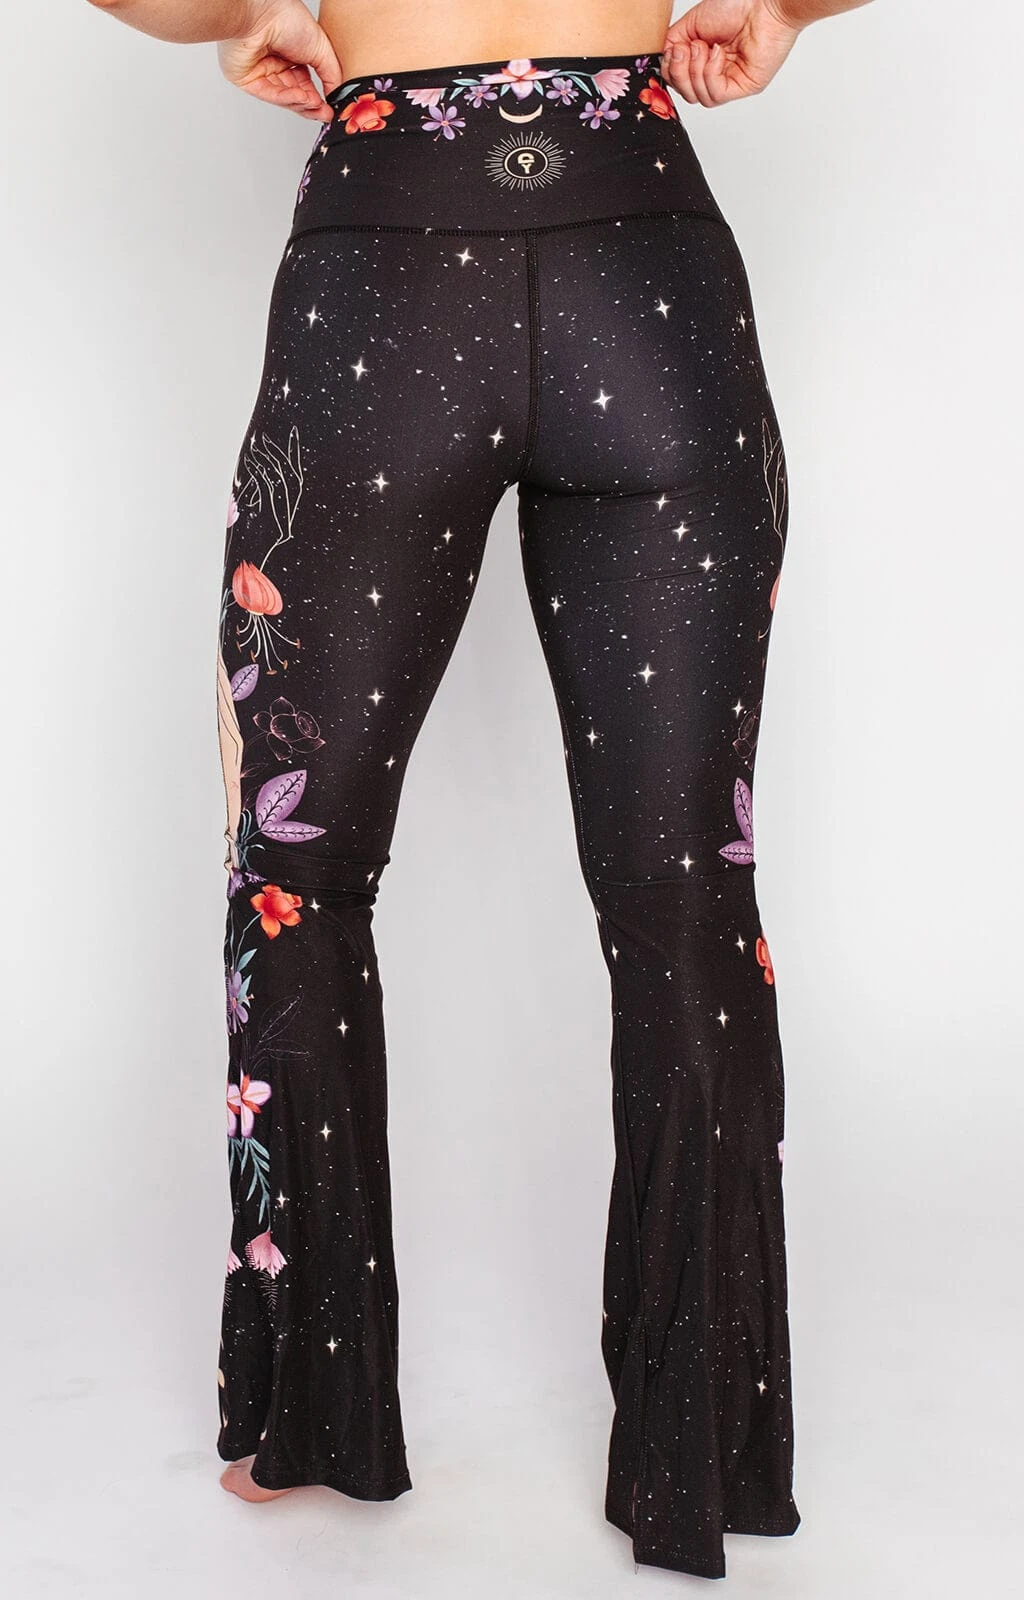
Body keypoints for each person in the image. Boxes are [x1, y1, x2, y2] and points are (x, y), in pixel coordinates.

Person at [86, 0, 873, 1580]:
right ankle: (703, 1446)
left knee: (298, 870)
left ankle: (312, 1410)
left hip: (386, 270)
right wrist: (783, 6)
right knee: (687, 890)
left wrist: (241, 10)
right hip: (648, 266)